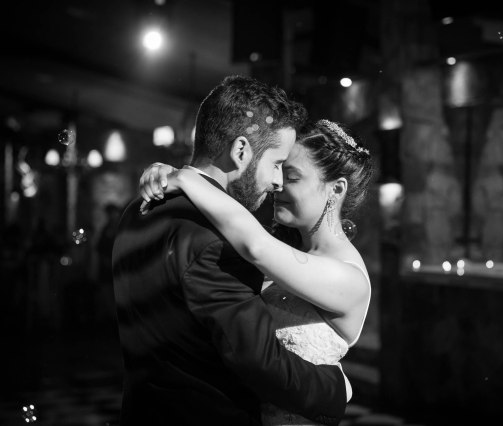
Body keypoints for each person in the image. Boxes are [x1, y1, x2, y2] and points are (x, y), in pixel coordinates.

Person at [112, 75, 349, 426]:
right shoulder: (217, 241)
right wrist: (335, 389)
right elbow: (258, 360)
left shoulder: (138, 209)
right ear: (241, 151)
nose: (278, 181)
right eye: (276, 163)